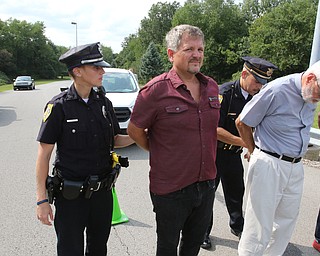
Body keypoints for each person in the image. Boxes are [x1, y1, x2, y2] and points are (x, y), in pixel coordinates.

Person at [127, 24, 220, 256]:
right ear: (171, 54)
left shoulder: (211, 87)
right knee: (167, 248)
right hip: (171, 190)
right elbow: (134, 130)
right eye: (189, 49)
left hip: (206, 184)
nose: (197, 54)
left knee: (193, 245)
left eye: (200, 49)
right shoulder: (155, 91)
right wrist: (157, 149)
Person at [35, 42, 134, 256]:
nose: (103, 71)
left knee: (99, 249)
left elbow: (115, 139)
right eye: (96, 68)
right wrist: (42, 200)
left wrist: (141, 136)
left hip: (103, 195)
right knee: (70, 251)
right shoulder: (59, 106)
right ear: (77, 71)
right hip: (71, 197)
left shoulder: (104, 103)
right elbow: (44, 156)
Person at [235, 60, 320, 255]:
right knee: (259, 224)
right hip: (269, 162)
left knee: (285, 222)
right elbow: (242, 122)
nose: (318, 99)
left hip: (295, 166)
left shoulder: (310, 94)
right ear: (310, 78)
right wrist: (254, 151)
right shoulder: (277, 90)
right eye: (319, 93)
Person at [201, 57, 278, 249]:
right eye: (258, 81)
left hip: (233, 154)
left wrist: (251, 147)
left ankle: (237, 225)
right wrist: (245, 142)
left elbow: (256, 125)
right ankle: (202, 232)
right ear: (244, 74)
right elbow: (214, 130)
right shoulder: (223, 94)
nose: (260, 86)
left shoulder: (257, 96)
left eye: (264, 82)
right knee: (207, 195)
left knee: (236, 192)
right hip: (214, 153)